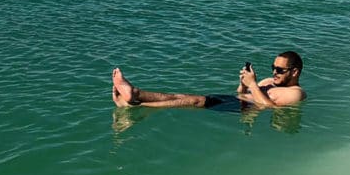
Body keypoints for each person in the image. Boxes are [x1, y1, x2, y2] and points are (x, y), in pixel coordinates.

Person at [110, 51, 306, 109]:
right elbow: (241, 93)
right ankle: (135, 94)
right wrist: (243, 82)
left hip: (242, 109)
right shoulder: (268, 82)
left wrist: (253, 84)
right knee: (183, 96)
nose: (274, 73)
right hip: (235, 100)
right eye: (273, 68)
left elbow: (269, 108)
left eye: (279, 70)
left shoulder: (296, 93)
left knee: (193, 101)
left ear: (295, 72)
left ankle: (136, 104)